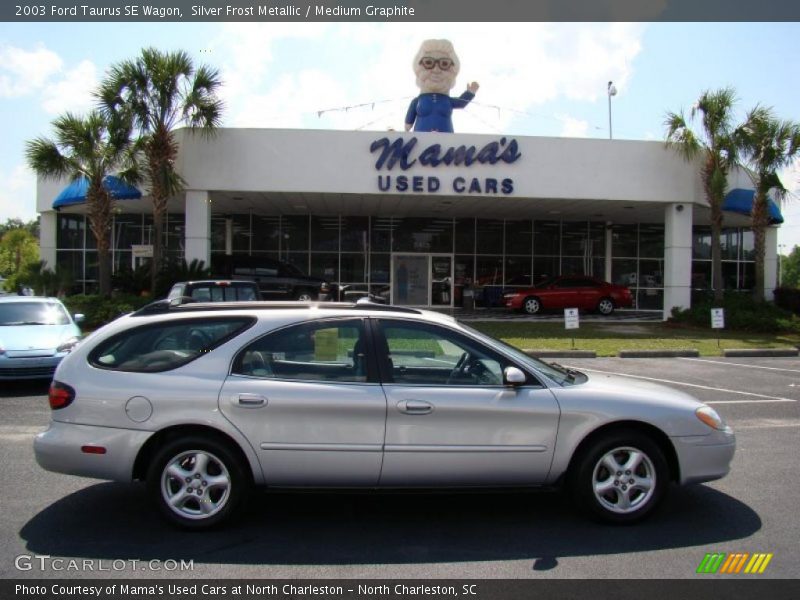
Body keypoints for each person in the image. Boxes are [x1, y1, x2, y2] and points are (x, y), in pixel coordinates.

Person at [405, 39, 479, 133]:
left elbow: (461, 103)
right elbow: (409, 120)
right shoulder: (417, 101)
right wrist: (407, 125)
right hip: (420, 142)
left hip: (446, 144)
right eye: (428, 62)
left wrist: (470, 93)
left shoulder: (447, 100)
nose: (436, 70)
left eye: (444, 64)